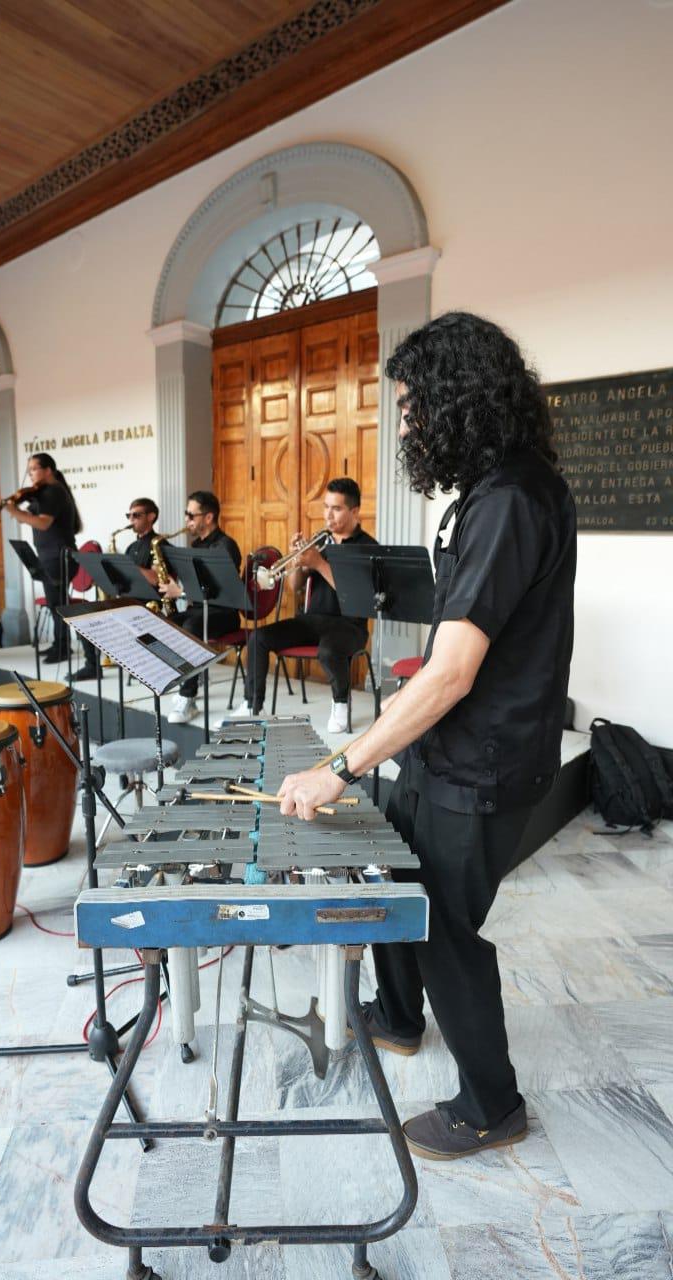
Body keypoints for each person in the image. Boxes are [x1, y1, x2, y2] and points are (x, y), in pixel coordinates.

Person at [277, 313, 577, 1161]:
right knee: (399, 884)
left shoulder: (515, 498)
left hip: (483, 760)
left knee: (444, 926)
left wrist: (341, 765)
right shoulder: (496, 490)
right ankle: (400, 1017)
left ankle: (492, 1105)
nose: (405, 423)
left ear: (457, 399)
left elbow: (451, 673)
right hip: (447, 748)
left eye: (412, 405)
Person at [238, 478, 377, 733]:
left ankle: (341, 705)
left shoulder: (367, 547)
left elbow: (358, 595)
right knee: (258, 637)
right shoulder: (320, 540)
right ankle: (252, 706)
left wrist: (319, 564)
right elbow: (294, 586)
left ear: (355, 511)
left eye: (336, 508)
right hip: (311, 620)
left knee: (328, 650)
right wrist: (298, 563)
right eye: (326, 507)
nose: (328, 514)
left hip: (350, 625)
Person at [159, 490, 241, 724]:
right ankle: (186, 676)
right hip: (199, 609)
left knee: (192, 626)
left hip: (224, 613)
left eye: (190, 515)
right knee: (166, 624)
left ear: (208, 517)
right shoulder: (196, 544)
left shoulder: (226, 546)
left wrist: (182, 592)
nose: (187, 520)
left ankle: (188, 696)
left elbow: (218, 591)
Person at [0, 452, 87, 667]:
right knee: (54, 603)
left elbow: (42, 523)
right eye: (28, 471)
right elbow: (30, 516)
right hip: (49, 556)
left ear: (48, 470)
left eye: (34, 469)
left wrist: (11, 509)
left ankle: (63, 647)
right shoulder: (43, 493)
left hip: (59, 557)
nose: (30, 475)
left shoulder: (54, 492)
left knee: (57, 604)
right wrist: (13, 505)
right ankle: (60, 645)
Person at [123, 498, 161, 584]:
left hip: (150, 597)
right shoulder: (131, 547)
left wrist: (128, 567)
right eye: (129, 515)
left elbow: (156, 579)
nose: (131, 519)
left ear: (151, 517)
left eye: (136, 515)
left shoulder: (159, 544)